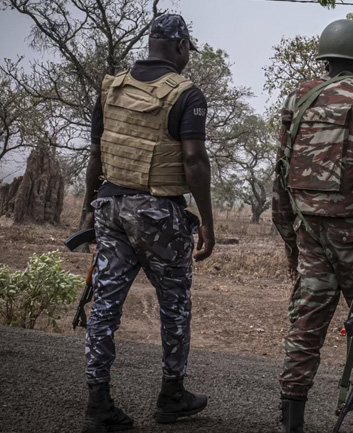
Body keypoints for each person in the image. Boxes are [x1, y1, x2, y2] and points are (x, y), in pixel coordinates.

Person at [80, 13, 215, 432]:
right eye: (189, 48)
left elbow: (96, 156)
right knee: (174, 305)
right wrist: (208, 223)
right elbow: (194, 161)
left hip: (110, 206)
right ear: (180, 46)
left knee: (105, 305)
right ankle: (171, 395)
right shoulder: (187, 95)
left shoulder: (111, 88)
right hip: (158, 214)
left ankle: (98, 403)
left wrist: (88, 207)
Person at [272, 19, 353, 433]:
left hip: (309, 236)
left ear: (325, 60)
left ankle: (291, 424)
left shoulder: (299, 97)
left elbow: (280, 177)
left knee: (304, 331)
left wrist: (291, 243)